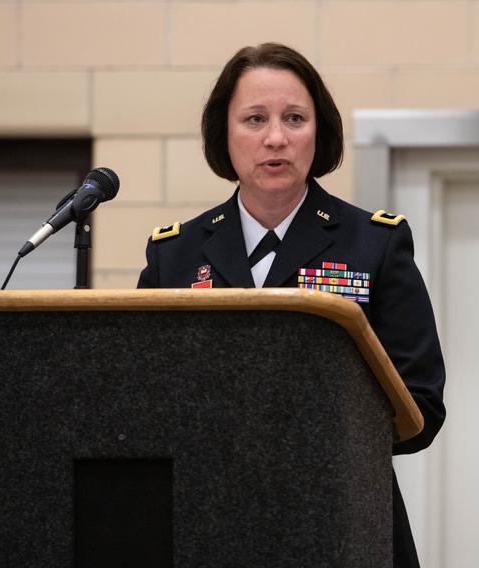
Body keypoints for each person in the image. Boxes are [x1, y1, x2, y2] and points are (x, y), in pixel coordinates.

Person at [137, 43, 445, 567]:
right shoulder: (176, 253)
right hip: (204, 521)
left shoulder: (374, 244)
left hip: (341, 517)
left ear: (318, 132)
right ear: (225, 136)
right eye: (254, 119)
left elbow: (421, 404)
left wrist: (308, 441)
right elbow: (139, 395)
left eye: (294, 118)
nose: (275, 138)